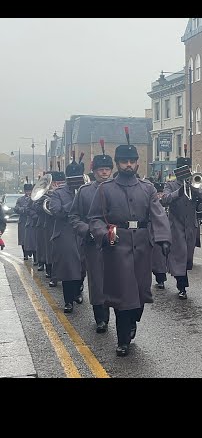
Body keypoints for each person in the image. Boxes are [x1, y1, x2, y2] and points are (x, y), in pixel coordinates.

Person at [87, 130, 171, 357]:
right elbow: (94, 218)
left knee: (141, 292)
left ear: (137, 163)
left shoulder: (147, 188)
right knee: (124, 294)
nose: (128, 165)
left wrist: (163, 239)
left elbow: (158, 214)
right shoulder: (105, 189)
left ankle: (133, 320)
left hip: (143, 245)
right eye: (124, 161)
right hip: (118, 245)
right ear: (117, 163)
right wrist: (103, 235)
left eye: (132, 161)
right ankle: (123, 338)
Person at [68, 141, 113, 332]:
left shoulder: (118, 190)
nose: (104, 173)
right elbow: (74, 216)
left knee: (117, 281)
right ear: (94, 172)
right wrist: (87, 230)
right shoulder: (84, 192)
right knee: (97, 282)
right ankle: (100, 318)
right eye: (101, 170)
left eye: (107, 169)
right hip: (92, 244)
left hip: (115, 243)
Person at [161, 156, 202, 299]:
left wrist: (196, 189)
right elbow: (165, 200)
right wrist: (180, 191)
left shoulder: (194, 185)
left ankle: (181, 279)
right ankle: (182, 286)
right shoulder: (171, 185)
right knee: (179, 255)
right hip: (177, 226)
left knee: (187, 257)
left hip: (191, 226)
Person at [49, 156, 85, 313]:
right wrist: (75, 201)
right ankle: (68, 300)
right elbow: (56, 211)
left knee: (82, 267)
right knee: (69, 269)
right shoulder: (58, 193)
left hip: (83, 232)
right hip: (65, 233)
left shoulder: (87, 190)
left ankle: (77, 291)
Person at [14, 183, 34, 260]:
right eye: (27, 191)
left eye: (29, 191)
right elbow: (16, 209)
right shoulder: (20, 200)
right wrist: (23, 209)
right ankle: (25, 254)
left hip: (32, 221)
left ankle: (33, 254)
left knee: (32, 239)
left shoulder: (34, 199)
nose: (28, 193)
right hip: (23, 221)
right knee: (23, 239)